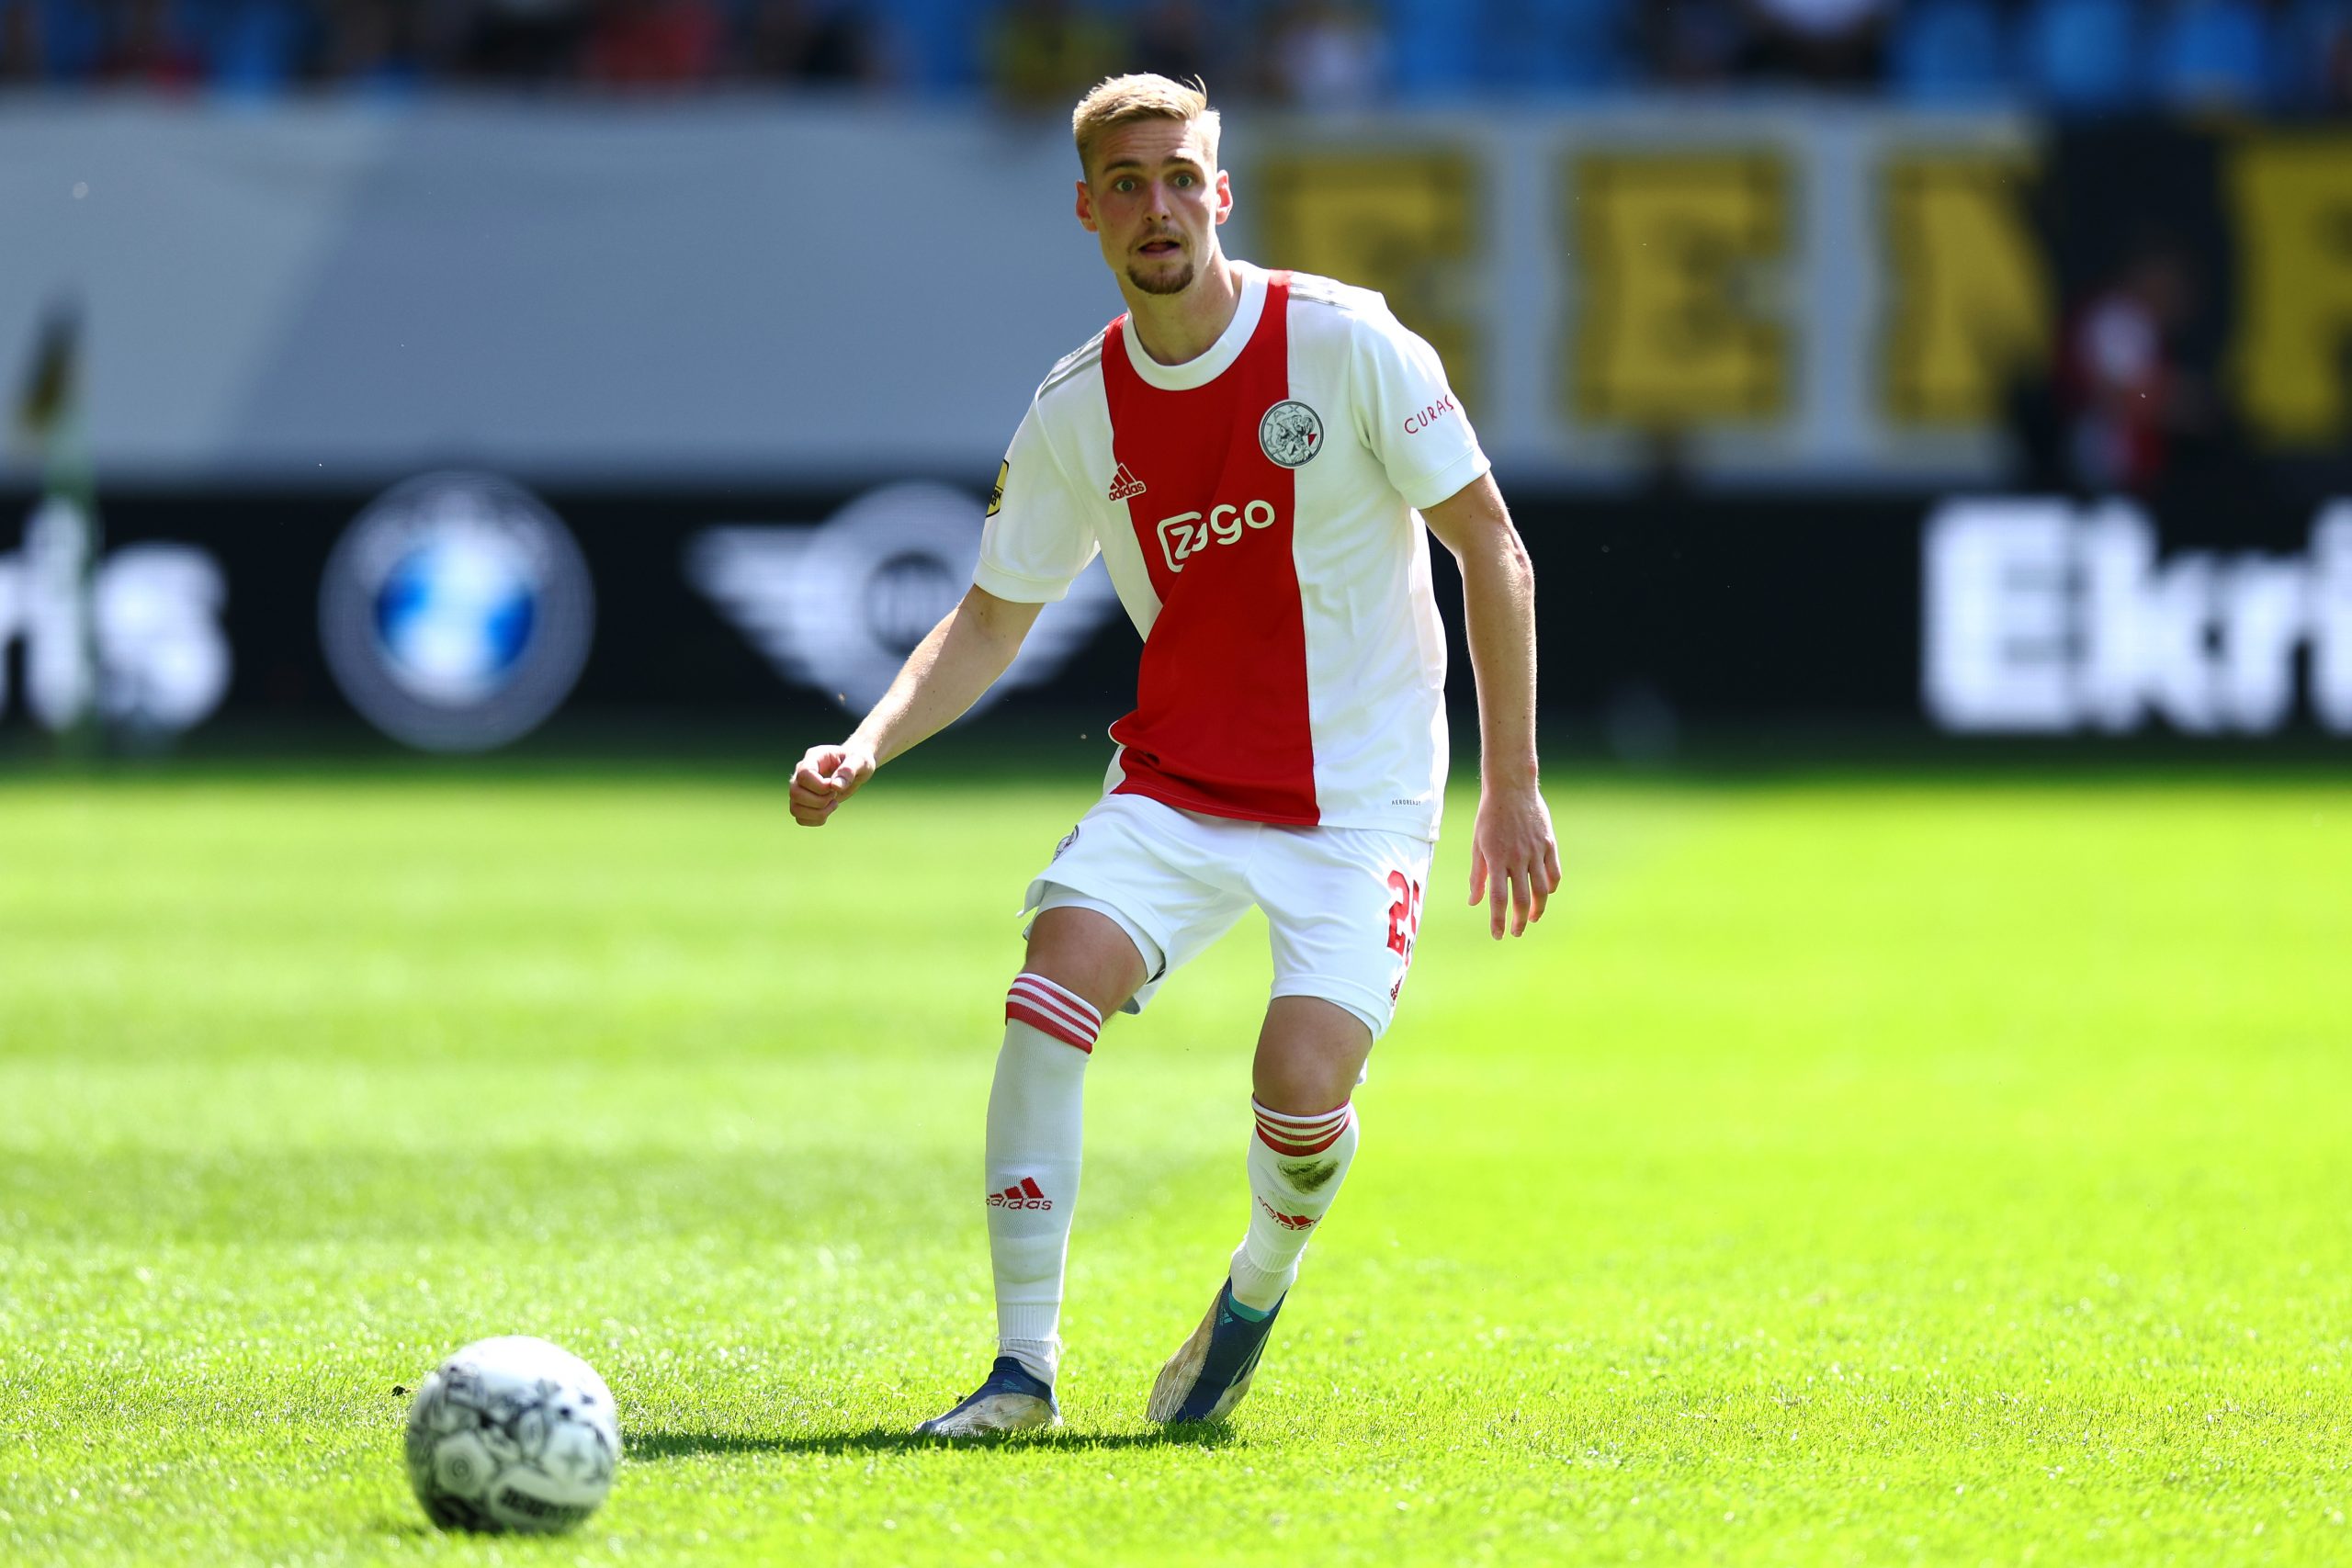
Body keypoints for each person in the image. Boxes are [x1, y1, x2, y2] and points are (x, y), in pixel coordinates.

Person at [790, 73, 1559, 1434]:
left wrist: (1511, 787)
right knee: (1050, 987)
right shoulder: (1075, 410)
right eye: (1129, 184)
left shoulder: (1347, 342)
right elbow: (988, 615)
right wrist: (868, 745)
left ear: (1223, 191)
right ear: (1087, 213)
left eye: (1181, 175)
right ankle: (1022, 1373)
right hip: (1181, 782)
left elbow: (1491, 546)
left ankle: (1256, 1285)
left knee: (1300, 1087)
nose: (1161, 205)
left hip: (1361, 794)